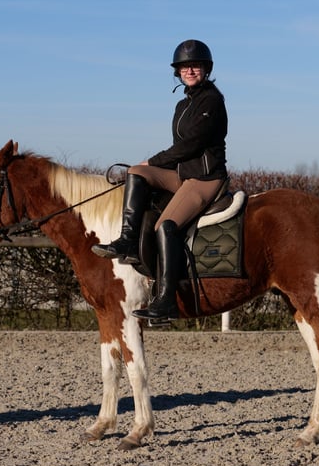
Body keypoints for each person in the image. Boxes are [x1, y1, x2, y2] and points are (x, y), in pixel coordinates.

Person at [92, 39, 228, 321]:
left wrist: (153, 161)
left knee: (166, 226)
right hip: (182, 176)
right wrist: (147, 166)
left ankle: (165, 300)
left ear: (206, 68)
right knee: (135, 173)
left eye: (195, 66)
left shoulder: (212, 101)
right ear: (177, 72)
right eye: (184, 67)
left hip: (205, 179)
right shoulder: (182, 104)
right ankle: (128, 241)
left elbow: (191, 145)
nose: (189, 71)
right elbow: (179, 151)